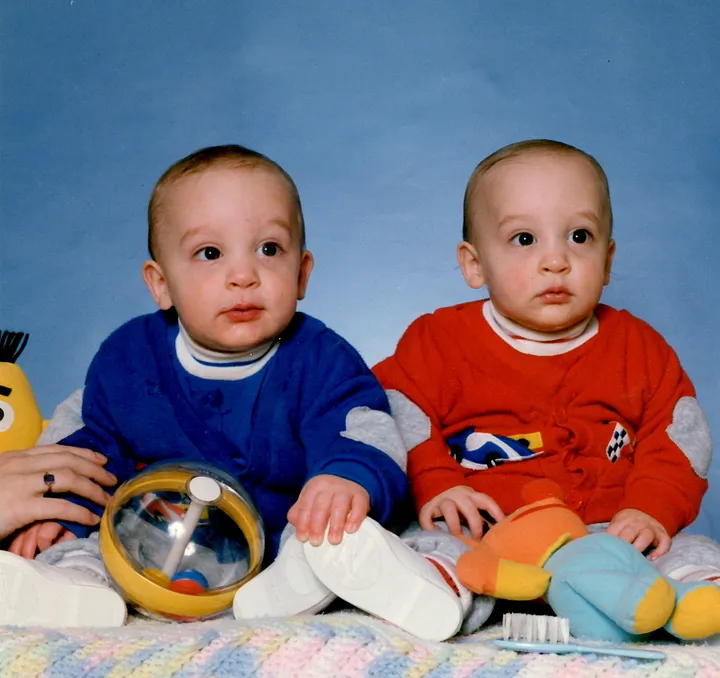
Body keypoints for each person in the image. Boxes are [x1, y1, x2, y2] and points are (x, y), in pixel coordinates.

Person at [0, 145, 469, 640]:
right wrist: (62, 523)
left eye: (269, 249)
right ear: (161, 285)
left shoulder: (321, 358)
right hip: (149, 545)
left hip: (285, 538)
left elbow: (364, 429)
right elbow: (88, 453)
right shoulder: (128, 359)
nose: (243, 275)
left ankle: (330, 585)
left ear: (303, 273)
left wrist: (345, 479)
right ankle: (73, 591)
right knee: (84, 545)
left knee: (395, 538)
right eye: (210, 254)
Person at [373, 138, 720, 623]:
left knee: (692, 551)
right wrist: (439, 485)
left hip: (608, 533)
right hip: (487, 529)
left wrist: (650, 511)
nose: (555, 260)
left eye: (579, 237)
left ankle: (692, 599)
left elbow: (680, 438)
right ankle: (439, 595)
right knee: (429, 546)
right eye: (524, 239)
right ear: (474, 264)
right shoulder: (438, 341)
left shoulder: (639, 347)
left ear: (609, 258)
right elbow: (394, 412)